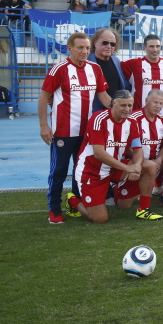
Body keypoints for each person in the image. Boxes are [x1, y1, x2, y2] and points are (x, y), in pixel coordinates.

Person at [39, 33, 112, 224]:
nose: (85, 51)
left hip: (87, 133)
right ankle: (54, 208)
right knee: (59, 170)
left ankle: (75, 202)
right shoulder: (59, 69)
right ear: (69, 48)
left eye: (87, 48)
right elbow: (43, 96)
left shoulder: (94, 68)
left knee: (81, 170)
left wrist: (119, 108)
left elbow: (103, 96)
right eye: (80, 48)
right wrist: (44, 125)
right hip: (63, 131)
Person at [63, 90, 162, 223]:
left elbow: (138, 150)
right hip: (92, 172)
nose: (127, 109)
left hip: (114, 169)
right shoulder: (99, 119)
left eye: (130, 105)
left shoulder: (132, 122)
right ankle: (72, 200)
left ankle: (143, 209)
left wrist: (137, 166)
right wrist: (127, 168)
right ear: (113, 104)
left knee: (150, 166)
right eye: (123, 105)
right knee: (99, 218)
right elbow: (99, 154)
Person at [121, 34, 163, 117]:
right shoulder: (134, 64)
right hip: (138, 115)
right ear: (145, 48)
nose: (155, 49)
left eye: (158, 46)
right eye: (151, 46)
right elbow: (114, 68)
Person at [88, 28, 132, 113]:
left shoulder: (116, 60)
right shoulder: (87, 62)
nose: (109, 46)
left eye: (112, 44)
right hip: (95, 111)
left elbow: (123, 84)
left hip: (114, 112)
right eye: (105, 43)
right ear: (95, 42)